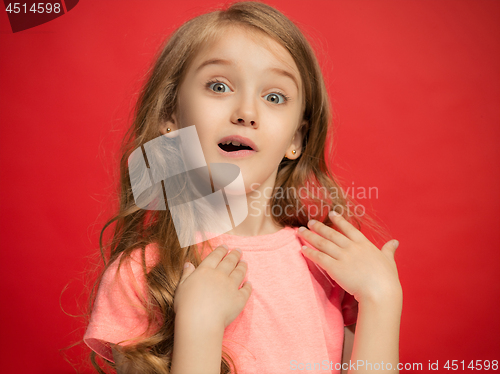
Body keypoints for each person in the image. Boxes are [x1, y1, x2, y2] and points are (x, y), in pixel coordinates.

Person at [83, 1, 402, 373]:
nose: (246, 112)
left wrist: (382, 300)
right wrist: (199, 326)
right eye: (219, 86)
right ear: (171, 116)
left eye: (274, 97)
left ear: (295, 138)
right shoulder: (140, 275)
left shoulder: (328, 265)